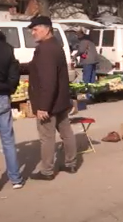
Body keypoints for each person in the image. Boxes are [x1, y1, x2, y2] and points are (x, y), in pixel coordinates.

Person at [28, 16, 78, 181]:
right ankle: (71, 163)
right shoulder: (56, 46)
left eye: (35, 29)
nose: (33, 33)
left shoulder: (46, 49)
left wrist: (43, 106)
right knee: (66, 133)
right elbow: (58, 75)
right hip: (61, 100)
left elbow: (48, 81)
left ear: (47, 29)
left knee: (47, 138)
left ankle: (47, 171)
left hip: (49, 103)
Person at [0, 31, 23, 189]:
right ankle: (15, 179)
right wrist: (9, 89)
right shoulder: (8, 50)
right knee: (8, 140)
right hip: (2, 96)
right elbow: (14, 74)